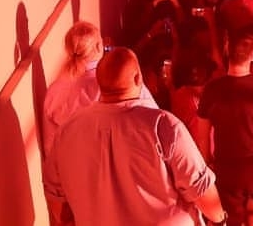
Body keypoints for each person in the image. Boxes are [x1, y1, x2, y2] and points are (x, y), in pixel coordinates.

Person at [43, 48, 227, 226]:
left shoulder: (68, 131)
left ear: (100, 82)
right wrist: (220, 219)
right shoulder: (162, 126)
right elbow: (201, 190)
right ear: (139, 78)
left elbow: (55, 195)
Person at [196, 28, 253, 226]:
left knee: (232, 221)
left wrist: (207, 161)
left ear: (227, 50)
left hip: (229, 166)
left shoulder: (212, 89)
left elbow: (202, 133)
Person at [41, 21, 155, 158]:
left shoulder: (54, 92)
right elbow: (152, 120)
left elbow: (50, 146)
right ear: (98, 46)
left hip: (73, 172)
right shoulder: (120, 81)